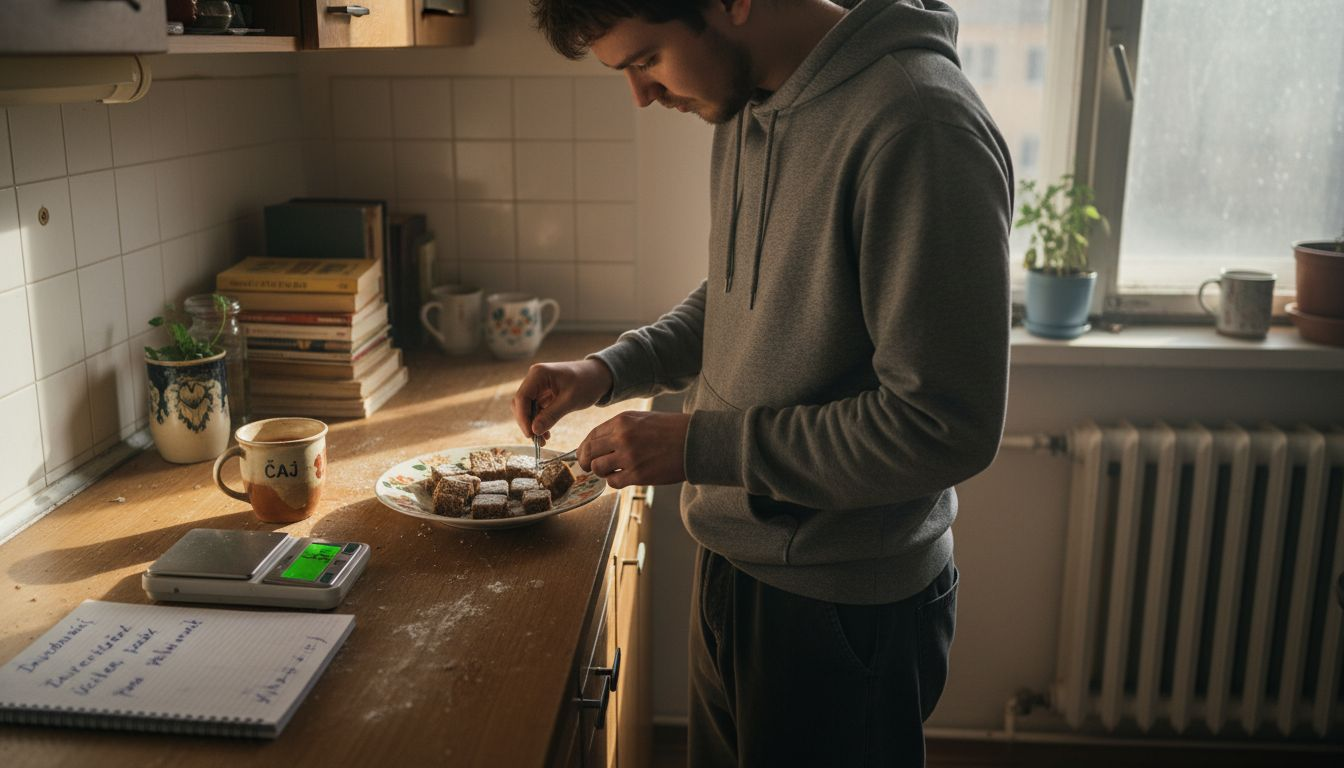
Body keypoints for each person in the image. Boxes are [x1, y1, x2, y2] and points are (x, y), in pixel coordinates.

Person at [516, 0, 1012, 764]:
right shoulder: (750, 105)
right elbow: (746, 295)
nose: (642, 95)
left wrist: (701, 445)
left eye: (645, 60)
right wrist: (609, 368)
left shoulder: (918, 126)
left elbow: (941, 426)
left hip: (844, 607)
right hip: (735, 567)